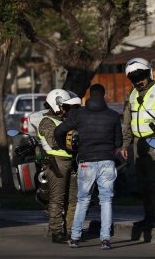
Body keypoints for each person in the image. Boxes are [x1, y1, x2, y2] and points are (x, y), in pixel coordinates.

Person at [54, 83, 122, 250]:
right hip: (107, 160)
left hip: (86, 161)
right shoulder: (113, 116)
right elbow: (119, 142)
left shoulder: (79, 114)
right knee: (106, 200)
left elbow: (58, 131)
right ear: (104, 95)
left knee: (83, 200)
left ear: (89, 96)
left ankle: (75, 238)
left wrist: (66, 148)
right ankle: (105, 240)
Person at [120, 58, 155, 229]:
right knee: (143, 183)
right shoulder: (131, 94)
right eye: (133, 79)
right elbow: (127, 121)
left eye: (140, 77)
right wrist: (125, 144)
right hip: (138, 143)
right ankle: (148, 217)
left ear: (148, 74)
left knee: (154, 182)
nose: (137, 82)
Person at [38, 89, 81, 243]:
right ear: (56, 105)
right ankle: (56, 232)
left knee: (74, 199)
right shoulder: (46, 122)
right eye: (64, 107)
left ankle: (71, 231)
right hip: (55, 163)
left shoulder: (65, 120)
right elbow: (53, 141)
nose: (66, 110)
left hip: (71, 162)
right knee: (57, 199)